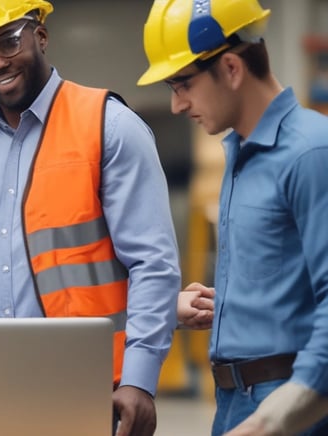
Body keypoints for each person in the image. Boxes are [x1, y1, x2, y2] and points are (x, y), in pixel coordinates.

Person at [0, 1, 181, 435]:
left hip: (89, 388)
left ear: (41, 35)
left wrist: (140, 380)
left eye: (9, 41)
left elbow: (153, 264)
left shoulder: (109, 127)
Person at [137, 0, 328, 434]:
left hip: (290, 404)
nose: (176, 105)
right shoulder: (240, 154)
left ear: (230, 68)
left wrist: (284, 413)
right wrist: (232, 302)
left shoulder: (311, 153)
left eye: (181, 84)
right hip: (235, 400)